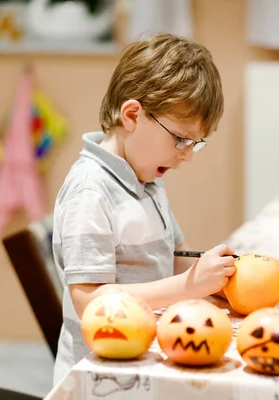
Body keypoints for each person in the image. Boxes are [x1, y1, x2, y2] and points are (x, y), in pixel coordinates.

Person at [51, 33, 236, 386]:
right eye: (181, 138)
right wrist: (188, 285)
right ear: (133, 114)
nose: (187, 153)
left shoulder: (145, 179)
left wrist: (221, 279)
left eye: (196, 143)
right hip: (102, 376)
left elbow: (173, 256)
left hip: (144, 358)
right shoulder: (90, 190)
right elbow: (91, 304)